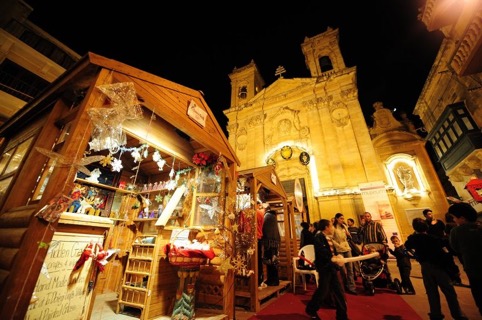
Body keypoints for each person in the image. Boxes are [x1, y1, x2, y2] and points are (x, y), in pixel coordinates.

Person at [405, 217, 468, 320]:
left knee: (431, 292)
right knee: (449, 292)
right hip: (439, 266)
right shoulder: (435, 239)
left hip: (425, 267)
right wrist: (454, 269)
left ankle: (435, 314)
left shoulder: (413, 239)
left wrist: (416, 254)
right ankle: (457, 314)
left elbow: (407, 245)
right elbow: (446, 254)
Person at [305, 219, 348, 320]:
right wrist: (331, 258)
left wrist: (338, 257)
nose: (333, 228)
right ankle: (311, 309)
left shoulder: (328, 238)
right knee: (323, 291)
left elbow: (333, 251)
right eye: (331, 226)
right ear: (326, 227)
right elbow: (321, 251)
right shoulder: (318, 237)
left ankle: (342, 316)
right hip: (325, 268)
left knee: (339, 292)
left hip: (331, 267)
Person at [448, 202, 482, 316]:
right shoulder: (479, 226)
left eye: (454, 217)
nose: (454, 220)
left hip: (473, 267)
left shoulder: (456, 231)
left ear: (462, 218)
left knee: (479, 293)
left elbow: (455, 248)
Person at [423, 208, 462, 285]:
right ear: (425, 215)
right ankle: (449, 278)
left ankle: (456, 278)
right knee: (441, 262)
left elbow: (444, 232)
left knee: (449, 260)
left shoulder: (439, 222)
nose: (431, 215)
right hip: (434, 245)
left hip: (443, 244)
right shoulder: (425, 224)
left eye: (431, 213)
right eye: (429, 214)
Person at [332, 213, 357, 295]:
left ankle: (352, 287)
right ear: (337, 219)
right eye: (341, 218)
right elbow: (332, 239)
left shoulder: (344, 226)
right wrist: (338, 246)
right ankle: (345, 285)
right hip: (339, 250)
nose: (343, 220)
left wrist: (348, 233)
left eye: (343, 218)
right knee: (342, 270)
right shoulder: (333, 228)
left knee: (350, 268)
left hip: (347, 248)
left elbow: (348, 237)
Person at [262, 207, 280, 286]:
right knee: (274, 262)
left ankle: (271, 280)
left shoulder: (267, 216)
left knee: (270, 263)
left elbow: (265, 229)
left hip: (269, 244)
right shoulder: (273, 217)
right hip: (275, 244)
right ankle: (275, 280)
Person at [256, 201, 267, 289]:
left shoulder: (250, 213)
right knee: (259, 260)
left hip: (251, 238)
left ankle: (257, 282)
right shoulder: (260, 213)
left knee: (252, 261)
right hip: (259, 237)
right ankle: (259, 281)